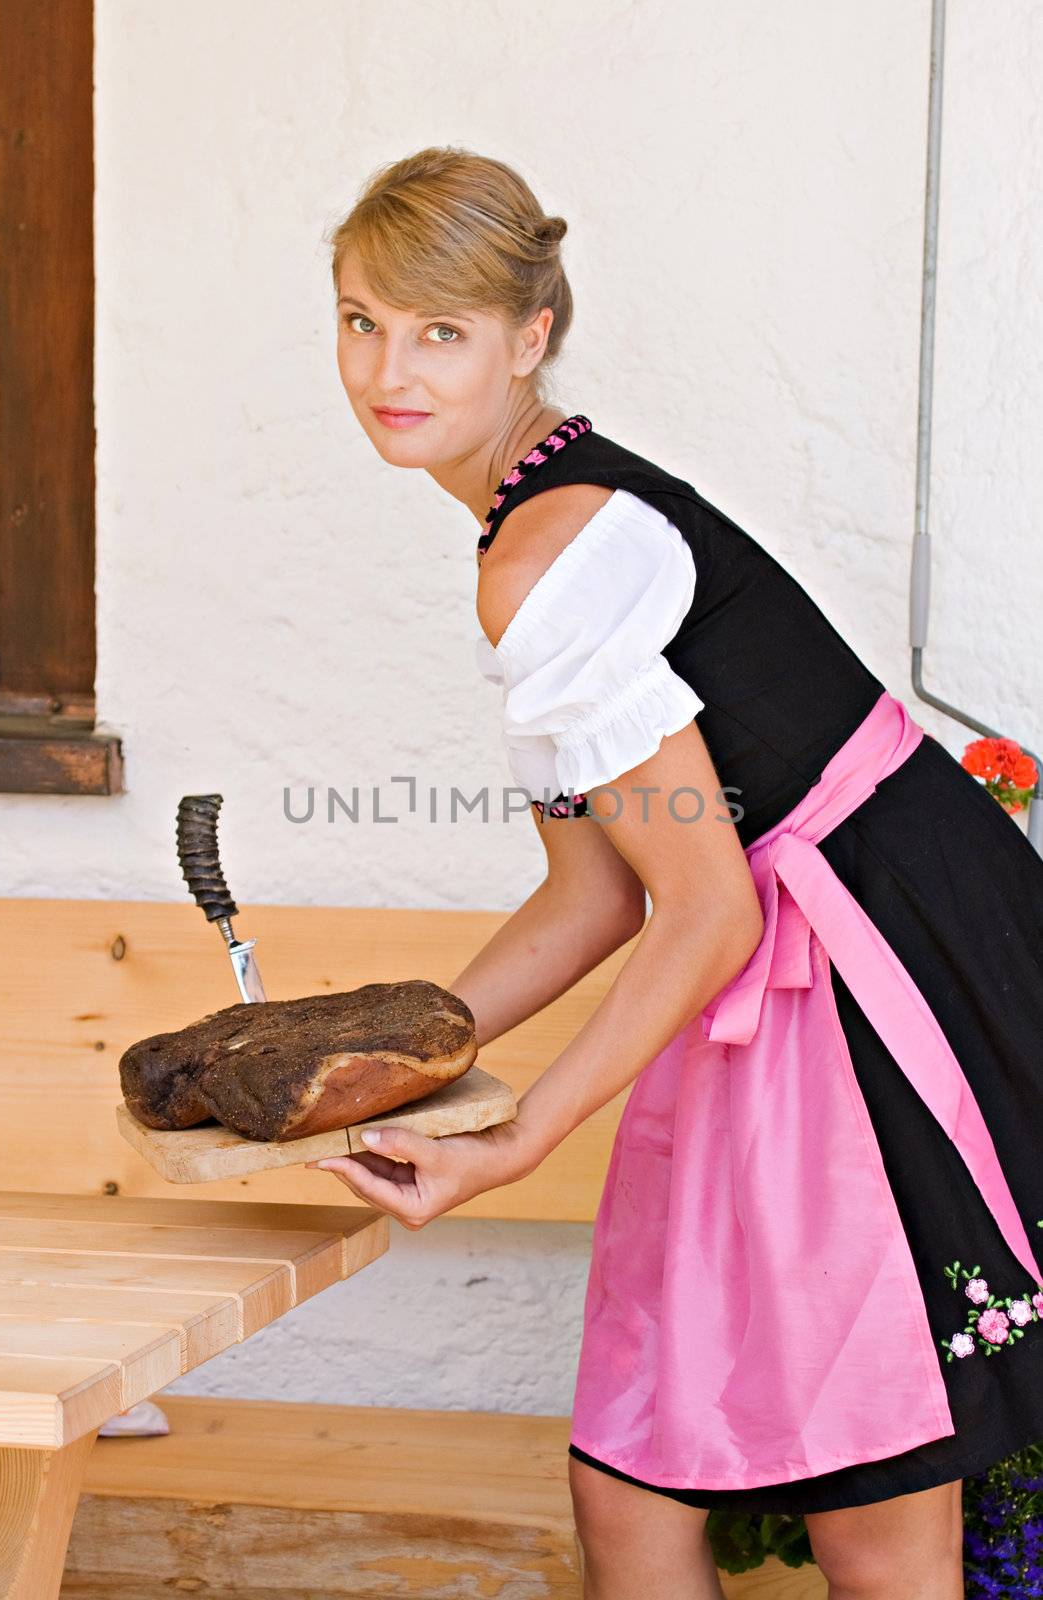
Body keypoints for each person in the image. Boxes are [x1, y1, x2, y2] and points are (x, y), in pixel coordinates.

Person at [305, 145, 1043, 1600]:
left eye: (440, 329)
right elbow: (597, 895)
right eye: (359, 318)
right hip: (827, 956)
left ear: (532, 338)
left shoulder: (553, 553)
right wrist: (383, 1056)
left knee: (872, 1489)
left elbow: (702, 909)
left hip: (874, 972)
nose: (389, 366)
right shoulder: (543, 524)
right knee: (640, 1470)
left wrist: (512, 1137)